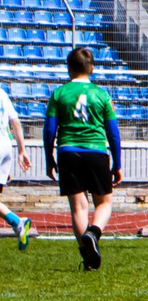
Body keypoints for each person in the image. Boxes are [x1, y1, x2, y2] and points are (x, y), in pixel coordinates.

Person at [43, 47, 119, 272]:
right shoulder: (102, 95)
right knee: (104, 203)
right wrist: (118, 163)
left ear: (68, 68)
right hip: (96, 151)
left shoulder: (59, 94)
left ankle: (88, 260)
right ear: (92, 68)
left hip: (68, 151)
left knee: (78, 207)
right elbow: (113, 133)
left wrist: (49, 158)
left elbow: (49, 130)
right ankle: (93, 233)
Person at [0, 83, 32, 250]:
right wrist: (22, 150)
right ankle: (18, 223)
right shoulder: (2, 93)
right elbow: (15, 122)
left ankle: (17, 222)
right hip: (6, 146)